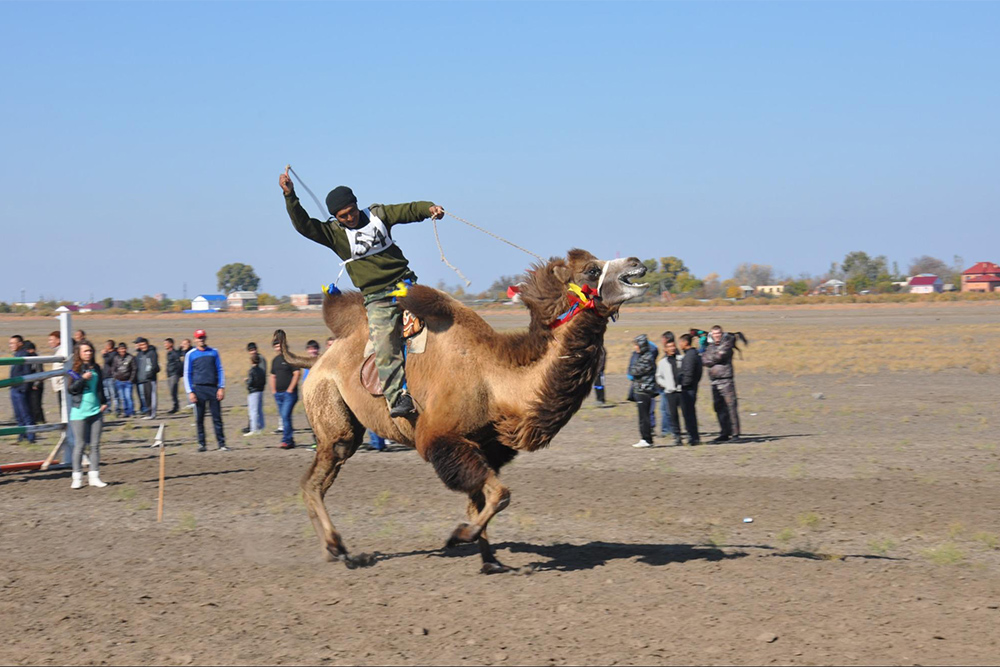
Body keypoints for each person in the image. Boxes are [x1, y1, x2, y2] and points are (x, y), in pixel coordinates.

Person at [279, 169, 445, 419]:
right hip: (378, 298)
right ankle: (397, 397)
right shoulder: (334, 234)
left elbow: (408, 210)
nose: (349, 218)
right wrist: (290, 196)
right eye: (342, 216)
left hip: (407, 284)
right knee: (385, 341)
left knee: (446, 314)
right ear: (335, 217)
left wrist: (429, 208)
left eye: (352, 211)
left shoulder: (379, 215)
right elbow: (304, 225)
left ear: (357, 204)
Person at [66, 340, 108, 489]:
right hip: (79, 412)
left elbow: (100, 386)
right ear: (79, 353)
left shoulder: (96, 367)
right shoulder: (74, 369)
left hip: (96, 411)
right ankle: (77, 477)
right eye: (85, 351)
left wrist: (104, 401)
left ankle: (94, 476)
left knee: (95, 445)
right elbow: (71, 390)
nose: (88, 353)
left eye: (90, 350)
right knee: (80, 445)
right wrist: (82, 379)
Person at [183, 329, 227, 452]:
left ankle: (221, 443)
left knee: (217, 417)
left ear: (205, 338)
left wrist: (221, 387)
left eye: (202, 337)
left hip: (213, 388)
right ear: (195, 339)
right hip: (198, 389)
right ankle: (202, 444)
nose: (201, 340)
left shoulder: (214, 352)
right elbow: (187, 373)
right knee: (199, 418)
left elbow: (220, 369)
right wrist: (190, 391)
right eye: (199, 338)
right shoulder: (190, 354)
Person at [702, 325, 742, 443]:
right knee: (719, 408)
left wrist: (711, 359)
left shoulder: (727, 343)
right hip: (714, 381)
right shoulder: (710, 346)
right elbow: (704, 359)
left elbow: (720, 356)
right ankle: (724, 432)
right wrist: (712, 358)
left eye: (718, 333)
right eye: (714, 334)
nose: (717, 336)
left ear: (722, 333)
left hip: (726, 380)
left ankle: (735, 434)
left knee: (731, 407)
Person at [48, 330, 73, 466]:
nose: (50, 342)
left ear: (59, 339)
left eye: (52, 340)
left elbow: (69, 369)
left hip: (63, 389)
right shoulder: (59, 350)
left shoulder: (64, 350)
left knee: (66, 415)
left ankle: (71, 439)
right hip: (60, 388)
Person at [270, 340, 301, 449]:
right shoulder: (275, 360)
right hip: (278, 394)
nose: (278, 348)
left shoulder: (291, 357)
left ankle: (286, 441)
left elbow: (297, 374)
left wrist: (290, 389)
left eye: (279, 346)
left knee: (285, 415)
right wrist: (273, 391)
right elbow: (272, 376)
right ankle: (290, 440)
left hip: (289, 394)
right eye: (276, 346)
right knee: (285, 417)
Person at [628, 334, 657, 448]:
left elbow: (634, 371)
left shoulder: (647, 357)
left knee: (644, 417)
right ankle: (645, 438)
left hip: (644, 391)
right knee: (642, 416)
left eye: (637, 345)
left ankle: (646, 439)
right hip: (640, 390)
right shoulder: (642, 356)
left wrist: (633, 368)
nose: (635, 347)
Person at [656, 336, 683, 447]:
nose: (672, 348)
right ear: (665, 349)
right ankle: (677, 436)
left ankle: (691, 436)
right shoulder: (662, 363)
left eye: (673, 346)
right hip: (670, 392)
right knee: (673, 415)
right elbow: (658, 377)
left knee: (687, 414)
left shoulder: (682, 359)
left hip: (682, 391)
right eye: (669, 347)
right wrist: (666, 385)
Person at [7, 335, 36, 443]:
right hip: (14, 388)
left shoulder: (24, 355)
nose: (11, 346)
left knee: (26, 413)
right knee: (18, 414)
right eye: (10, 343)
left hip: (21, 389)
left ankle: (31, 437)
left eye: (13, 343)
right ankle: (21, 435)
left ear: (20, 344)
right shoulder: (15, 355)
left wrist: (24, 388)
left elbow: (27, 372)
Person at [677, 333, 703, 445]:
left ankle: (693, 438)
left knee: (689, 414)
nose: (679, 345)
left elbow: (688, 374)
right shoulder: (693, 354)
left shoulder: (690, 356)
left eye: (680, 342)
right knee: (689, 413)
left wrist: (682, 385)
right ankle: (693, 436)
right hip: (691, 388)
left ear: (685, 343)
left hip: (688, 390)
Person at [134, 337, 160, 419]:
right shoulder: (140, 354)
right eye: (140, 345)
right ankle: (148, 413)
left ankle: (152, 413)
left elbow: (154, 365)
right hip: (142, 379)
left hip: (150, 379)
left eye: (143, 344)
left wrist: (149, 374)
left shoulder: (152, 353)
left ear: (147, 344)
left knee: (151, 396)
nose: (142, 346)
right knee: (146, 397)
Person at [110, 342, 136, 417]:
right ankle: (125, 411)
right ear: (118, 350)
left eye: (124, 348)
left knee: (128, 397)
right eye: (121, 349)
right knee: (122, 398)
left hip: (128, 381)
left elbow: (134, 369)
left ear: (126, 349)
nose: (122, 350)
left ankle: (130, 412)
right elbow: (113, 368)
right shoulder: (116, 358)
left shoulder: (130, 357)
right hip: (119, 381)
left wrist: (131, 379)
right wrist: (115, 376)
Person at [245, 347, 266, 437]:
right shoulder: (261, 371)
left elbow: (251, 381)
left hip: (253, 392)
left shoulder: (252, 371)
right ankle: (261, 427)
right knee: (259, 410)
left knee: (253, 411)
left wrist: (247, 382)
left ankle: (253, 429)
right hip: (260, 391)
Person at [658, 331, 676, 437]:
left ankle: (668, 430)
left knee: (667, 409)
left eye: (662, 339)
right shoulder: (667, 352)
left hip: (669, 387)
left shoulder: (672, 353)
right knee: (664, 409)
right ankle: (666, 429)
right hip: (665, 386)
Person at [24, 340, 45, 425]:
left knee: (36, 404)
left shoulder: (36, 358)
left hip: (36, 385)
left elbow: (39, 371)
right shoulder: (30, 358)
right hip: (31, 384)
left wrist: (36, 384)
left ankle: (39, 420)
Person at [164, 338, 183, 413]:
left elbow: (179, 363)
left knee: (173, 391)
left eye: (166, 343)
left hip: (174, 374)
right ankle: (175, 406)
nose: (165, 345)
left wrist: (177, 373)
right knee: (172, 391)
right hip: (170, 374)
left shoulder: (174, 353)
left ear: (171, 344)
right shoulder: (169, 353)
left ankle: (176, 407)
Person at [101, 340, 119, 417]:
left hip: (111, 377)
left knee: (113, 394)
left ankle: (116, 409)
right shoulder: (108, 354)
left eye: (106, 345)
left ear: (109, 346)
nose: (105, 347)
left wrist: (104, 355)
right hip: (105, 376)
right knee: (107, 395)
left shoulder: (114, 354)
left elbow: (108, 361)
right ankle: (108, 409)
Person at [179, 338, 195, 409]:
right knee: (187, 387)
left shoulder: (193, 351)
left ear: (189, 344)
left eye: (185, 344)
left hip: (193, 373)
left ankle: (194, 402)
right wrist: (180, 348)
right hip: (185, 373)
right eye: (183, 344)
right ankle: (190, 402)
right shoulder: (183, 352)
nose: (184, 345)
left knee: (194, 387)